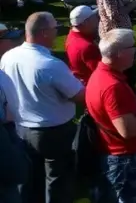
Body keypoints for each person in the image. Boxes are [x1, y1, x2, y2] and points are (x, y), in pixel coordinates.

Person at [0, 12, 84, 203]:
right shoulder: (51, 65)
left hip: (22, 129)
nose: (57, 33)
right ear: (45, 32)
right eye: (55, 29)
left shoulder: (8, 57)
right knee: (57, 181)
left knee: (31, 181)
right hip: (54, 132)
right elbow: (79, 95)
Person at [86, 28, 136, 203]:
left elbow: (124, 109)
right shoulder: (113, 87)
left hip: (114, 153)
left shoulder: (101, 75)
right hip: (127, 158)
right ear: (120, 53)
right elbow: (128, 129)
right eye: (133, 46)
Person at [66, 4, 102, 84]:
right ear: (86, 23)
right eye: (94, 18)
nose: (98, 20)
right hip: (92, 84)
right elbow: (101, 72)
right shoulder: (87, 47)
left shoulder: (71, 35)